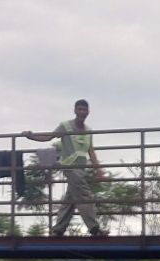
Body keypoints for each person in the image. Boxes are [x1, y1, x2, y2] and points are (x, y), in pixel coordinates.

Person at [22, 99, 106, 236]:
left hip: (81, 168)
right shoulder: (65, 126)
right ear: (75, 110)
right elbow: (49, 137)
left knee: (71, 199)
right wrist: (31, 136)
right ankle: (94, 228)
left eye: (84, 110)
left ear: (88, 112)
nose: (82, 112)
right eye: (79, 109)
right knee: (85, 196)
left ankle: (58, 229)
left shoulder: (89, 130)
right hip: (69, 166)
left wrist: (98, 170)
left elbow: (91, 151)